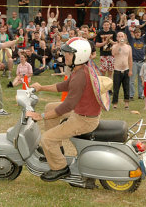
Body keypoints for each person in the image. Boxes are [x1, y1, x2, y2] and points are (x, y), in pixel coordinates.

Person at [26, 38, 105, 182]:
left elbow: (67, 106)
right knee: (50, 106)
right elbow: (64, 86)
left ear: (79, 55)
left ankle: (60, 168)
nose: (64, 55)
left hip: (84, 119)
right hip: (83, 111)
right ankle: (57, 150)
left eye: (68, 53)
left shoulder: (81, 76)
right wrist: (41, 87)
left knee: (47, 138)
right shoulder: (80, 69)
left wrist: (41, 116)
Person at [125, 25, 146, 100]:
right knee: (131, 80)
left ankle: (141, 94)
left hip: (142, 62)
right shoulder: (131, 40)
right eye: (136, 32)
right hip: (134, 62)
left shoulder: (143, 39)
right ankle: (131, 95)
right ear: (134, 33)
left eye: (138, 32)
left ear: (140, 33)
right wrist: (126, 25)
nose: (137, 34)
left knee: (141, 79)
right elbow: (127, 32)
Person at [111, 32, 132, 109]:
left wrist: (130, 70)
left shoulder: (128, 47)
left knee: (126, 87)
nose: (121, 38)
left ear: (124, 37)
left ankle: (126, 104)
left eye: (122, 36)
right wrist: (118, 44)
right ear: (117, 38)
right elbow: (113, 53)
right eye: (119, 36)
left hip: (126, 69)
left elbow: (130, 59)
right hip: (117, 70)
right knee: (116, 88)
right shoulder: (114, 46)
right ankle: (115, 104)